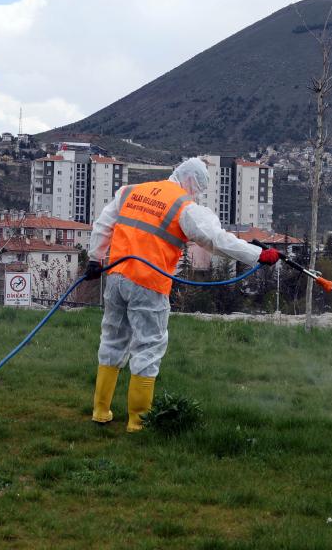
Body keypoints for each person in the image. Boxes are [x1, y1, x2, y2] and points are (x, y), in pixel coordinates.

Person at [84, 157, 281, 431]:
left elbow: (103, 223)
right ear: (190, 181)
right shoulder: (182, 206)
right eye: (198, 189)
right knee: (148, 347)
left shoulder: (131, 191)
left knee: (112, 340)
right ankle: (137, 421)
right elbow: (216, 239)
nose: (196, 194)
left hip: (116, 278)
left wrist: (95, 259)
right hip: (148, 282)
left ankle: (101, 410)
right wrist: (259, 255)